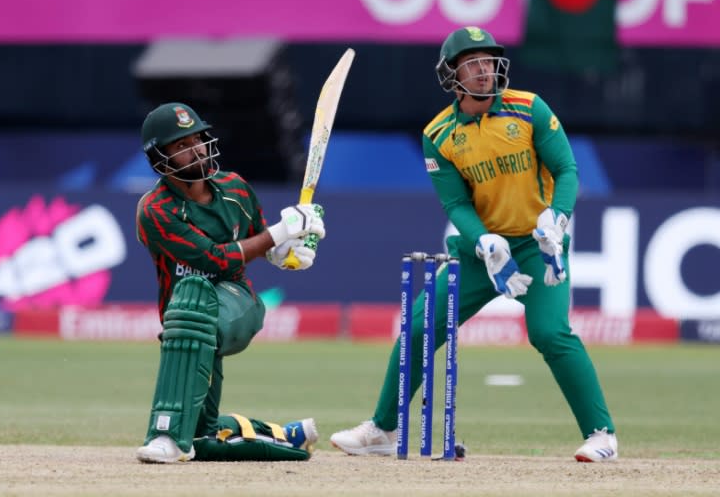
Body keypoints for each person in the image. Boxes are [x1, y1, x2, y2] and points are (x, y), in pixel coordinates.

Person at [330, 26, 618, 462]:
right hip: (479, 253)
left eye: (488, 62)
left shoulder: (530, 108)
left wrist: (557, 218)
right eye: (473, 63)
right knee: (419, 327)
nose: (484, 71)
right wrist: (482, 239)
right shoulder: (439, 134)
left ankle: (602, 435)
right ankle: (383, 430)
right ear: (452, 74)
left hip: (539, 244)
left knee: (549, 333)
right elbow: (455, 202)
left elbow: (567, 170)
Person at [134, 102, 325, 463]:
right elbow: (214, 258)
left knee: (192, 299)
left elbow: (260, 244)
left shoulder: (235, 188)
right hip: (186, 324)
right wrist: (280, 232)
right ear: (160, 157)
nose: (197, 150)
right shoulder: (155, 210)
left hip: (238, 303)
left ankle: (165, 435)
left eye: (198, 140)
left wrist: (290, 250)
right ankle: (286, 435)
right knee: (201, 435)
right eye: (181, 146)